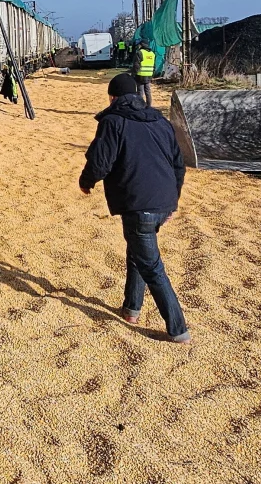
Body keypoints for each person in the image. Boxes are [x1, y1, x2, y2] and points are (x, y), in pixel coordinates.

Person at [79, 73, 190, 343]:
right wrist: (172, 201)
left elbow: (100, 161)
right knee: (137, 252)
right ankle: (132, 309)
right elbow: (178, 164)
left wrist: (86, 181)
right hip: (162, 201)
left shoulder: (113, 121)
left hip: (139, 204)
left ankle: (178, 330)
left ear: (112, 97)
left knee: (152, 267)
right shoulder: (160, 122)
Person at [133, 40, 155, 106]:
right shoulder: (152, 54)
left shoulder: (140, 53)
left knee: (140, 91)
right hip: (149, 75)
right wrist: (152, 74)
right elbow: (154, 66)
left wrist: (133, 74)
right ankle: (149, 106)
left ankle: (140, 106)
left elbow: (136, 65)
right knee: (148, 91)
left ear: (141, 45)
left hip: (140, 75)